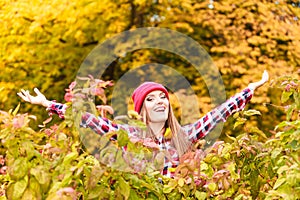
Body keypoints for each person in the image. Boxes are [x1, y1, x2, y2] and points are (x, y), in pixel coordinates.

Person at [17, 70, 269, 178]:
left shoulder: (184, 136)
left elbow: (217, 114)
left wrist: (249, 90)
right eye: (151, 99)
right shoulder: (130, 135)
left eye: (163, 97)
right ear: (142, 109)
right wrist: (48, 104)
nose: (160, 102)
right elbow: (88, 120)